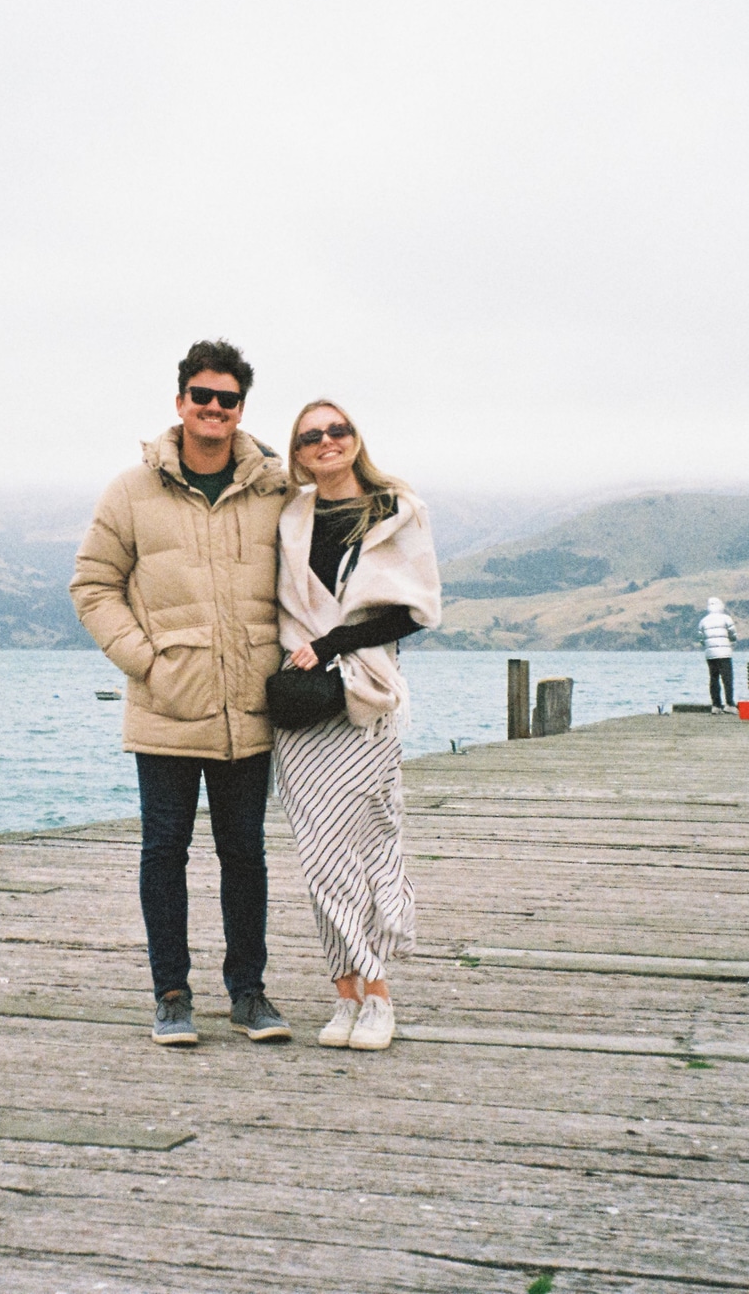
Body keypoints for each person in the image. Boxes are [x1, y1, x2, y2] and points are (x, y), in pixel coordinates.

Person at [70, 339, 292, 1048]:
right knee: (164, 851)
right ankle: (171, 994)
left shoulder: (275, 489)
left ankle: (248, 992)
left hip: (248, 708)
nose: (215, 409)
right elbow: (92, 585)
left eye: (228, 399)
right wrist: (146, 661)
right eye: (203, 396)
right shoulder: (129, 491)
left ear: (241, 409)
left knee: (245, 854)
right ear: (179, 403)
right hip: (166, 705)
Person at [270, 400, 442, 1051]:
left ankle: (379, 995)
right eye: (310, 436)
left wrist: (336, 640)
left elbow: (414, 613)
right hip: (302, 705)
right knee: (319, 857)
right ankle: (345, 991)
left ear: (356, 438)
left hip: (365, 698)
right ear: (298, 452)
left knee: (368, 844)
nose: (326, 441)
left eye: (336, 430)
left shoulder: (397, 509)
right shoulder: (291, 517)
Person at [699, 596, 739, 713]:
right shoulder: (726, 619)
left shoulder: (703, 621)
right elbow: (733, 634)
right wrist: (731, 642)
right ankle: (729, 704)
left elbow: (701, 639)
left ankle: (716, 705)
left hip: (710, 654)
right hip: (724, 653)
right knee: (727, 679)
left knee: (714, 678)